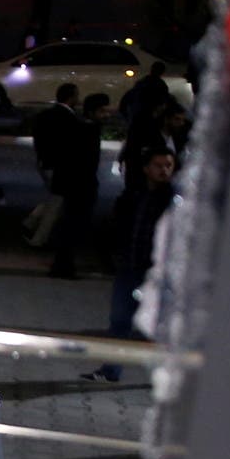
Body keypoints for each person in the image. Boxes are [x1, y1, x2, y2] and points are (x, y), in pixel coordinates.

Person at [87, 145, 178, 382]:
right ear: (146, 168)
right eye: (158, 165)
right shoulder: (135, 194)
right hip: (130, 266)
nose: (164, 170)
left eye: (168, 165)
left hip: (158, 273)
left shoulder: (174, 200)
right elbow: (119, 226)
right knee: (120, 321)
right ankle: (110, 370)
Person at [47, 92, 108, 279]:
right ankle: (65, 265)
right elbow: (82, 161)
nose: (106, 114)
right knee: (74, 224)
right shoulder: (86, 130)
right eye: (103, 111)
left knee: (71, 224)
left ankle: (63, 264)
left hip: (78, 184)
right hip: (81, 185)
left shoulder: (82, 127)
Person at [120, 60, 176, 169]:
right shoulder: (159, 86)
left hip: (136, 120)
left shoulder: (141, 84)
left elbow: (125, 102)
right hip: (147, 122)